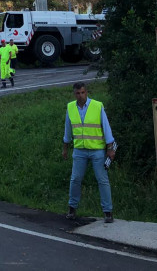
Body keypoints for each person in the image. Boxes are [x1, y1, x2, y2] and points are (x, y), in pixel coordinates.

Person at [62, 82, 116, 223]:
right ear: (74, 94)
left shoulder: (97, 106)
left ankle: (108, 211)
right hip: (79, 150)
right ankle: (72, 208)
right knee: (75, 179)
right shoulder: (70, 107)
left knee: (102, 180)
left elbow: (106, 127)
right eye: (78, 93)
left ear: (87, 92)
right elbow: (68, 129)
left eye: (83, 92)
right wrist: (65, 148)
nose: (81, 96)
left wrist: (110, 148)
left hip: (97, 150)